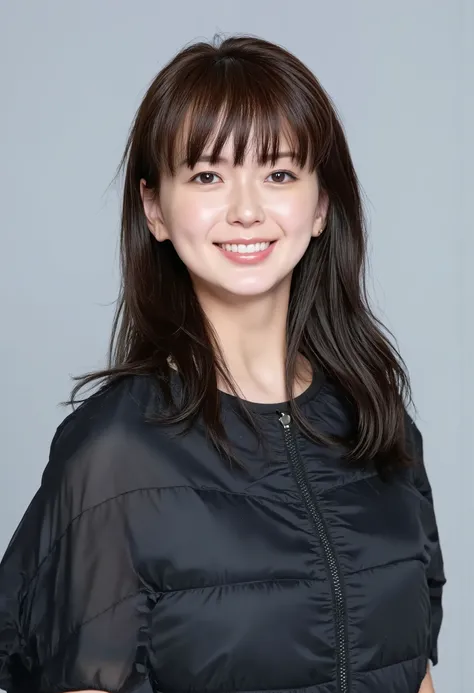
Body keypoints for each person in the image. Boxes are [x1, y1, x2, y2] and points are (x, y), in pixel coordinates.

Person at [0, 34, 445, 693]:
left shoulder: (378, 422)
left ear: (320, 205)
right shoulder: (115, 453)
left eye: (280, 173)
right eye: (208, 174)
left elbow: (412, 672)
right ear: (154, 207)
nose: (245, 209)